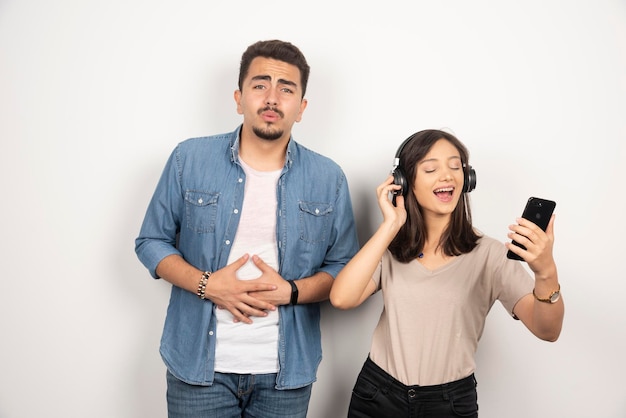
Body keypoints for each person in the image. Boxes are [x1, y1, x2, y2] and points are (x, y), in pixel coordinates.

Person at [135, 39, 359, 417]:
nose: (272, 98)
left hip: (285, 375)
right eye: (260, 85)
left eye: (286, 89)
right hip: (198, 371)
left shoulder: (328, 178)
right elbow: (150, 242)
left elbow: (344, 267)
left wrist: (291, 291)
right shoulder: (189, 158)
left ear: (301, 108)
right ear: (239, 98)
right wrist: (209, 285)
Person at [330, 129, 564, 418]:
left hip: (449, 404)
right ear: (404, 182)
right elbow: (342, 298)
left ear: (467, 180)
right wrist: (390, 225)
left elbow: (547, 330)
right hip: (378, 394)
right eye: (431, 168)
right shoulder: (390, 249)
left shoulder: (490, 255)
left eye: (456, 167)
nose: (447, 175)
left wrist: (546, 272)